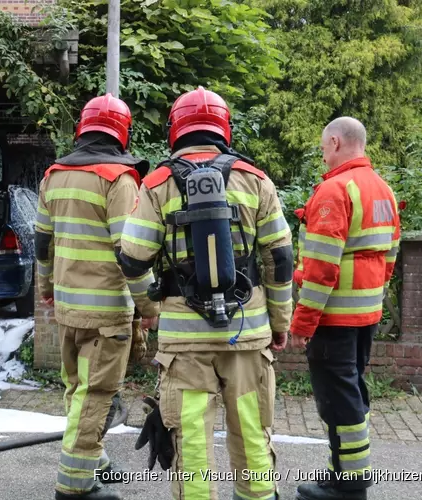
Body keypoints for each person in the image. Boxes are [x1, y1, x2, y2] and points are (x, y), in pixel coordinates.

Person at [117, 86, 294, 500]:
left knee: (193, 441)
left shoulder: (158, 183)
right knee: (252, 432)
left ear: (174, 130)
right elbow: (281, 259)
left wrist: (150, 307)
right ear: (224, 128)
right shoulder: (256, 180)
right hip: (248, 334)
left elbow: (132, 259)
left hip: (184, 341)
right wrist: (279, 322)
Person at [34, 93, 161, 500]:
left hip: (69, 308)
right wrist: (150, 308)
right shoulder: (118, 179)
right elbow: (132, 255)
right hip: (106, 314)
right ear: (121, 133)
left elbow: (42, 244)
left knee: (77, 388)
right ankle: (75, 486)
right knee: (97, 394)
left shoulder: (52, 176)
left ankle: (95, 460)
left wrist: (46, 289)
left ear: (83, 129)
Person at [290, 117, 401, 500]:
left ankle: (348, 486)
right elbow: (391, 252)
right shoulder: (382, 188)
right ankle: (345, 472)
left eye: (323, 148)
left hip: (333, 318)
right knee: (352, 393)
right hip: (365, 315)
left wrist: (303, 323)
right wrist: (373, 291)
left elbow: (321, 267)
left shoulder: (336, 189)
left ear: (335, 142)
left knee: (338, 400)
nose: (323, 155)